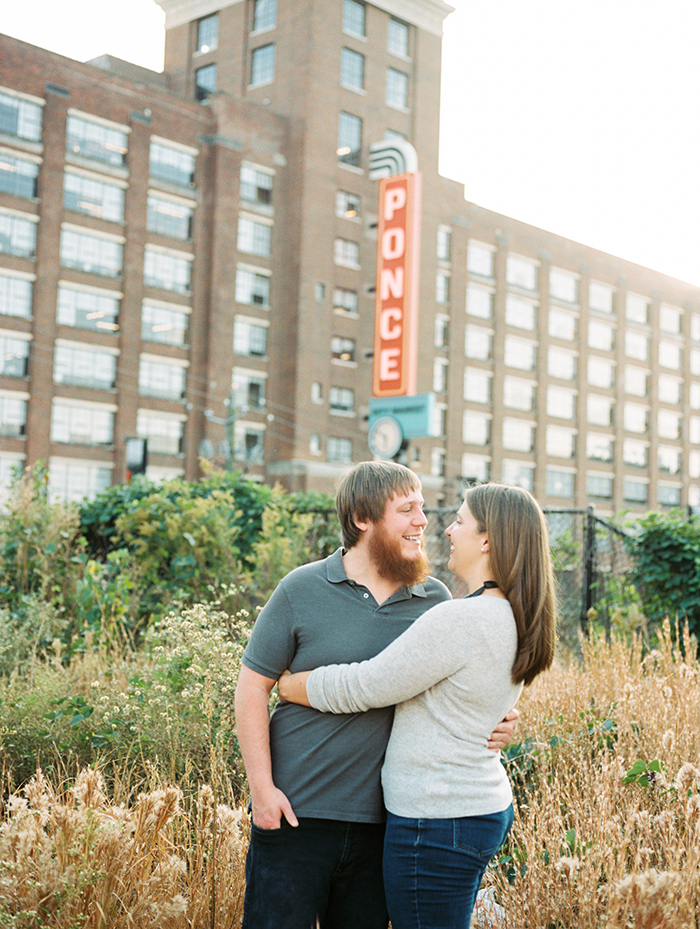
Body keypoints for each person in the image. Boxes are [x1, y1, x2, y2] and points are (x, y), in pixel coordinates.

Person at [234, 461, 519, 929]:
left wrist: (501, 715)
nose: (423, 521)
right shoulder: (301, 588)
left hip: (384, 826)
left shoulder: (434, 600)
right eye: (407, 509)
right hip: (295, 813)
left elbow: (463, 676)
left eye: (422, 508)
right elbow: (251, 688)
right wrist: (262, 790)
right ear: (363, 519)